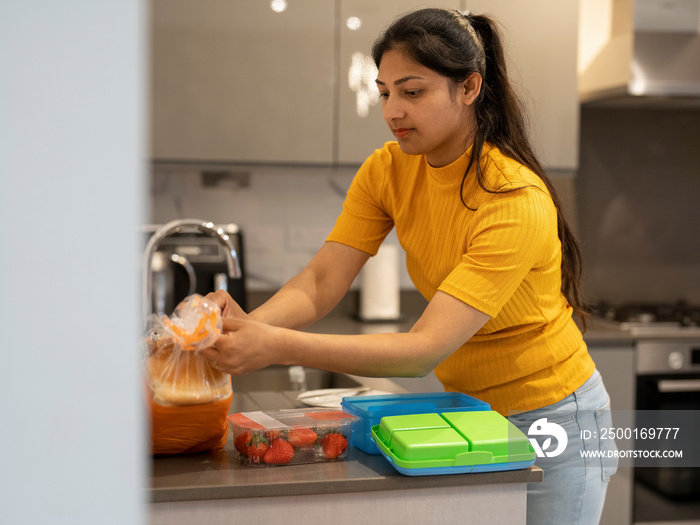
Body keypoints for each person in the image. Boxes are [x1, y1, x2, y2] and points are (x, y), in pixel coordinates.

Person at [202, 8, 617, 524]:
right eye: (384, 92)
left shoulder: (512, 198)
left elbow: (422, 349)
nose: (392, 110)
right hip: (473, 414)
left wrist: (273, 346)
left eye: (412, 91)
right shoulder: (388, 169)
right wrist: (240, 327)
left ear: (468, 88)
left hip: (557, 419)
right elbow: (321, 281)